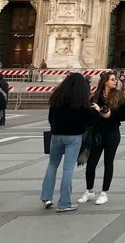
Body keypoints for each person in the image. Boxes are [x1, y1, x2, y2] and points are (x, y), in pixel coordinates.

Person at [40, 73, 98, 211]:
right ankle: (64, 203)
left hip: (56, 135)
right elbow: (89, 120)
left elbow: (50, 118)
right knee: (68, 169)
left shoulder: (57, 97)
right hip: (73, 137)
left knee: (52, 165)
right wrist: (96, 111)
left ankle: (46, 197)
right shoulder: (80, 100)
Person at [79, 71, 125, 206]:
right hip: (97, 133)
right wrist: (95, 110)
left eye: (115, 80)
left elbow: (124, 116)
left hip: (112, 132)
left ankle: (104, 193)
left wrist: (110, 115)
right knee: (92, 162)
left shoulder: (119, 96)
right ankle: (89, 190)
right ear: (105, 81)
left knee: (108, 162)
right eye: (112, 79)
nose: (115, 82)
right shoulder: (95, 97)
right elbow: (88, 117)